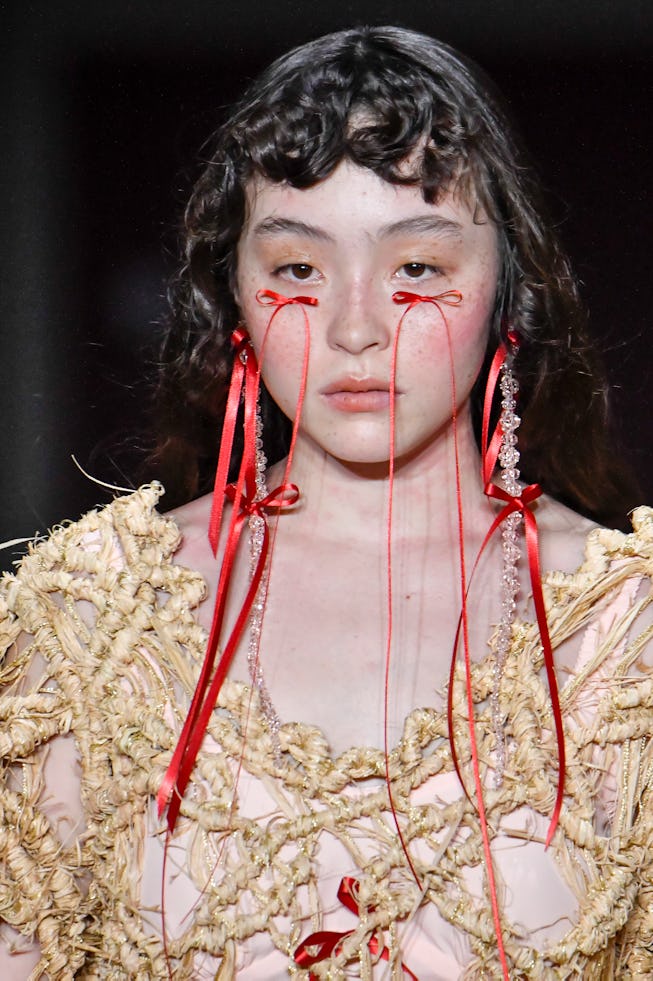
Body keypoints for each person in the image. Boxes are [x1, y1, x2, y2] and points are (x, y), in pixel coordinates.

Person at [1, 24, 652, 980]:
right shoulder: (87, 623)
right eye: (298, 269)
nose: (354, 327)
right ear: (235, 296)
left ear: (506, 287)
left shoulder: (625, 631)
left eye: (415, 270)